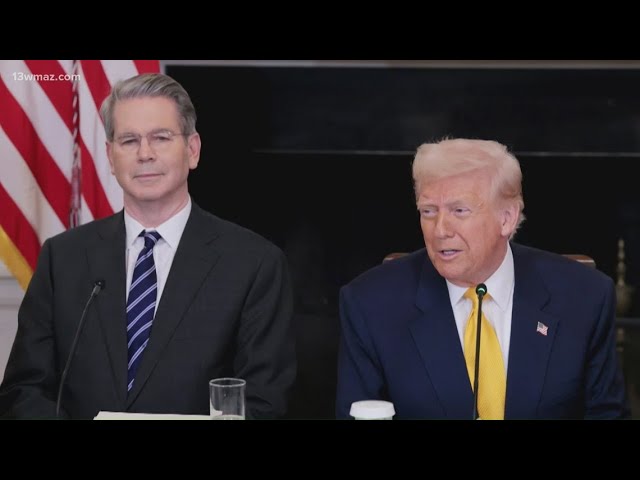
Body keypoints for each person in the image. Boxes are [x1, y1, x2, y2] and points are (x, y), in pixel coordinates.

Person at [0, 73, 296, 419]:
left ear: (193, 150)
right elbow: (23, 391)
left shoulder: (254, 264)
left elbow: (264, 403)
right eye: (129, 140)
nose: (144, 154)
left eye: (161, 138)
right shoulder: (62, 259)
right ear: (110, 157)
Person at [336, 138, 629, 419]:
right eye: (428, 211)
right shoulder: (370, 304)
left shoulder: (584, 297)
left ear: (507, 218)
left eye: (459, 210)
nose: (440, 230)